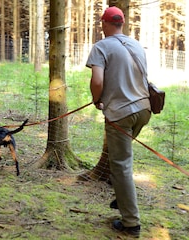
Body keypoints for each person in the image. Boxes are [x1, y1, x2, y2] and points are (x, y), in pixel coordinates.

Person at [86, 6, 151, 238]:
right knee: (123, 159)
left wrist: (97, 100)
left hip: (121, 114)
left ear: (104, 24)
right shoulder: (136, 45)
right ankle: (124, 199)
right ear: (121, 23)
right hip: (144, 110)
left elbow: (97, 81)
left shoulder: (101, 46)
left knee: (121, 164)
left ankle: (131, 223)